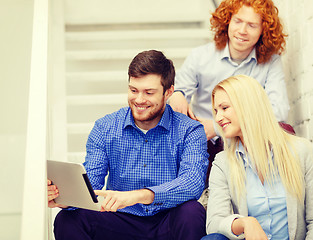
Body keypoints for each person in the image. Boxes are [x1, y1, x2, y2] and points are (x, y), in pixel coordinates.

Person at [47, 50, 209, 240]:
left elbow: (192, 183)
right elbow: (91, 183)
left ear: (169, 92)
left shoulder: (190, 130)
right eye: (133, 90)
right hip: (120, 220)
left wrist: (139, 195)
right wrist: (65, 198)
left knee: (192, 212)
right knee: (67, 219)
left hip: (168, 220)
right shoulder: (105, 127)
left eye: (149, 92)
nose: (139, 100)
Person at [169, 0, 290, 182]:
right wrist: (178, 94)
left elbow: (279, 111)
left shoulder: (270, 62)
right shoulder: (201, 55)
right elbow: (176, 89)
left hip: (246, 139)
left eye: (252, 25)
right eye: (238, 21)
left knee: (285, 130)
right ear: (227, 21)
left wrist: (217, 127)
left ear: (263, 31)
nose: (242, 31)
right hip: (203, 139)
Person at [201, 75, 313, 240]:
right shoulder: (223, 163)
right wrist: (246, 223)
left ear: (248, 106)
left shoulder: (302, 151)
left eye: (224, 108)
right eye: (216, 111)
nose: (217, 118)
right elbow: (214, 223)